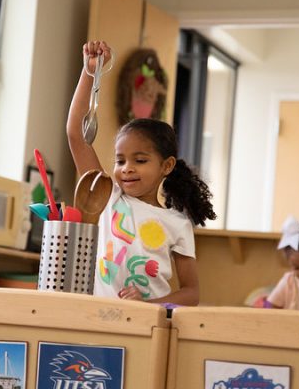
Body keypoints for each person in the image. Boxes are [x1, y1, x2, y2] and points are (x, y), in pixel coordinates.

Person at [67, 40, 216, 306]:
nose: (127, 168)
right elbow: (77, 134)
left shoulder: (177, 223)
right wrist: (90, 72)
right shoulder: (106, 196)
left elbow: (191, 293)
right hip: (96, 320)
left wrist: (147, 308)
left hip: (146, 327)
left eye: (140, 160)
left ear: (166, 166)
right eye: (120, 160)